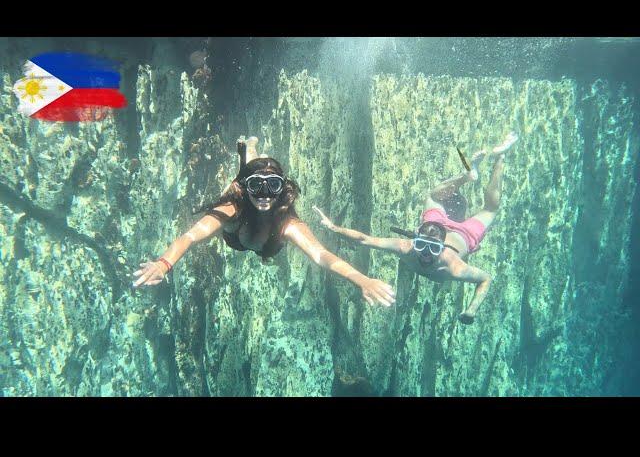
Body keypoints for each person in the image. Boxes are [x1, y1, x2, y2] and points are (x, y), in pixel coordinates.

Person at [132, 137, 396, 307]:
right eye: (257, 187)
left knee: (255, 168)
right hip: (237, 236)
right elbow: (189, 237)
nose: (265, 196)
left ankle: (250, 152)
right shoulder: (232, 208)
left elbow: (321, 255)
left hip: (265, 242)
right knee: (245, 173)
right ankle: (248, 152)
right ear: (248, 190)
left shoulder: (287, 223)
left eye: (273, 186)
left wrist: (362, 279)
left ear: (282, 189)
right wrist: (164, 263)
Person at [314, 132, 518, 324]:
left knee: (489, 209)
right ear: (416, 237)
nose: (426, 254)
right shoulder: (406, 247)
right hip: (439, 227)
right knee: (450, 200)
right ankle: (468, 175)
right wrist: (334, 228)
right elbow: (364, 239)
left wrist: (472, 309)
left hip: (463, 236)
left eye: (434, 249)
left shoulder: (453, 266)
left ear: (442, 248)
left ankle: (499, 157)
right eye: (421, 245)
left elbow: (485, 279)